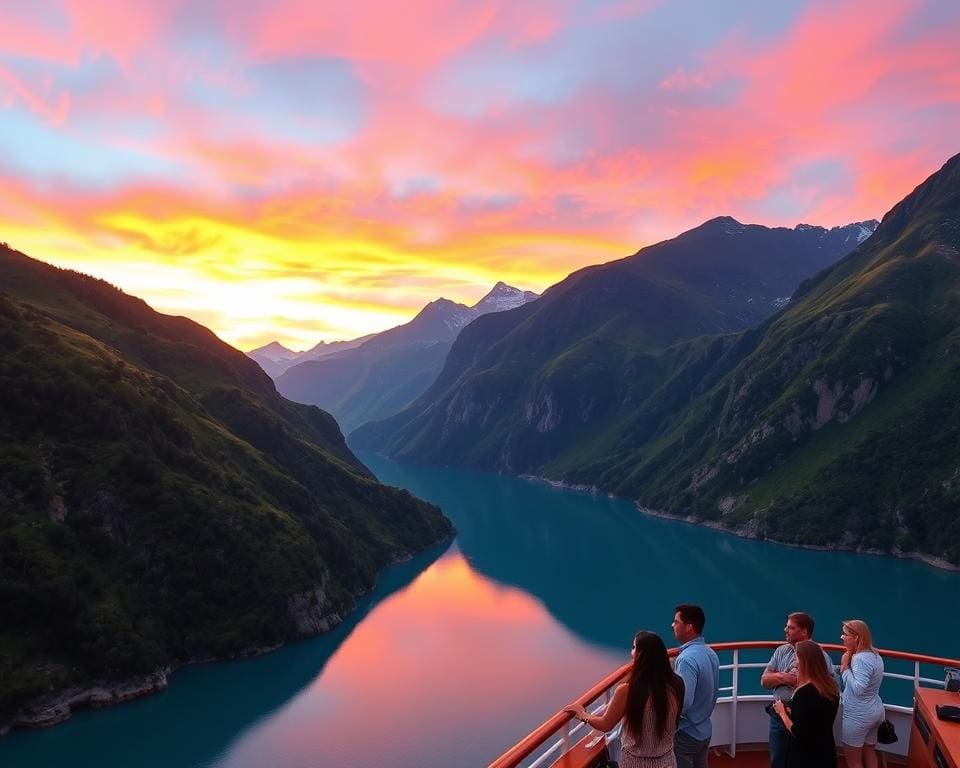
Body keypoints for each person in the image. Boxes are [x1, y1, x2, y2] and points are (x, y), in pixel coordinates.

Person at [565, 631, 685, 768]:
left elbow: (606, 724)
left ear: (641, 655)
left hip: (634, 762)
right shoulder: (676, 684)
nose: (631, 652)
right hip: (666, 761)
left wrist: (583, 715)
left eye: (634, 648)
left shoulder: (627, 691)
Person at [761, 612, 834, 768]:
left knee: (798, 758)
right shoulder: (782, 651)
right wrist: (784, 677)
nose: (785, 629)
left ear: (804, 631)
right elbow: (764, 680)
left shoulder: (820, 657)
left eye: (790, 627)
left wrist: (777, 677)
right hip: (778, 715)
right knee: (778, 758)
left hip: (801, 716)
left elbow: (807, 685)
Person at [771, 640, 840, 768]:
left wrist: (782, 713)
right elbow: (816, 719)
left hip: (805, 757)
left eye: (797, 659)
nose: (796, 663)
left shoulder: (804, 693)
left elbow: (799, 732)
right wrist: (794, 712)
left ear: (805, 662)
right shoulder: (831, 688)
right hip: (825, 752)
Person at [671, 604, 720, 768]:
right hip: (704, 729)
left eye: (676, 622)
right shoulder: (710, 653)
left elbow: (684, 702)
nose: (672, 625)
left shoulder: (686, 660)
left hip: (687, 733)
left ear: (689, 627)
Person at [839, 619, 885, 768]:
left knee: (854, 762)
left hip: (858, 716)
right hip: (875, 712)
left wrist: (845, 668)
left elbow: (859, 688)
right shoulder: (875, 655)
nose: (842, 637)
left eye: (845, 634)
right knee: (869, 750)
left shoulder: (860, 659)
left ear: (857, 638)